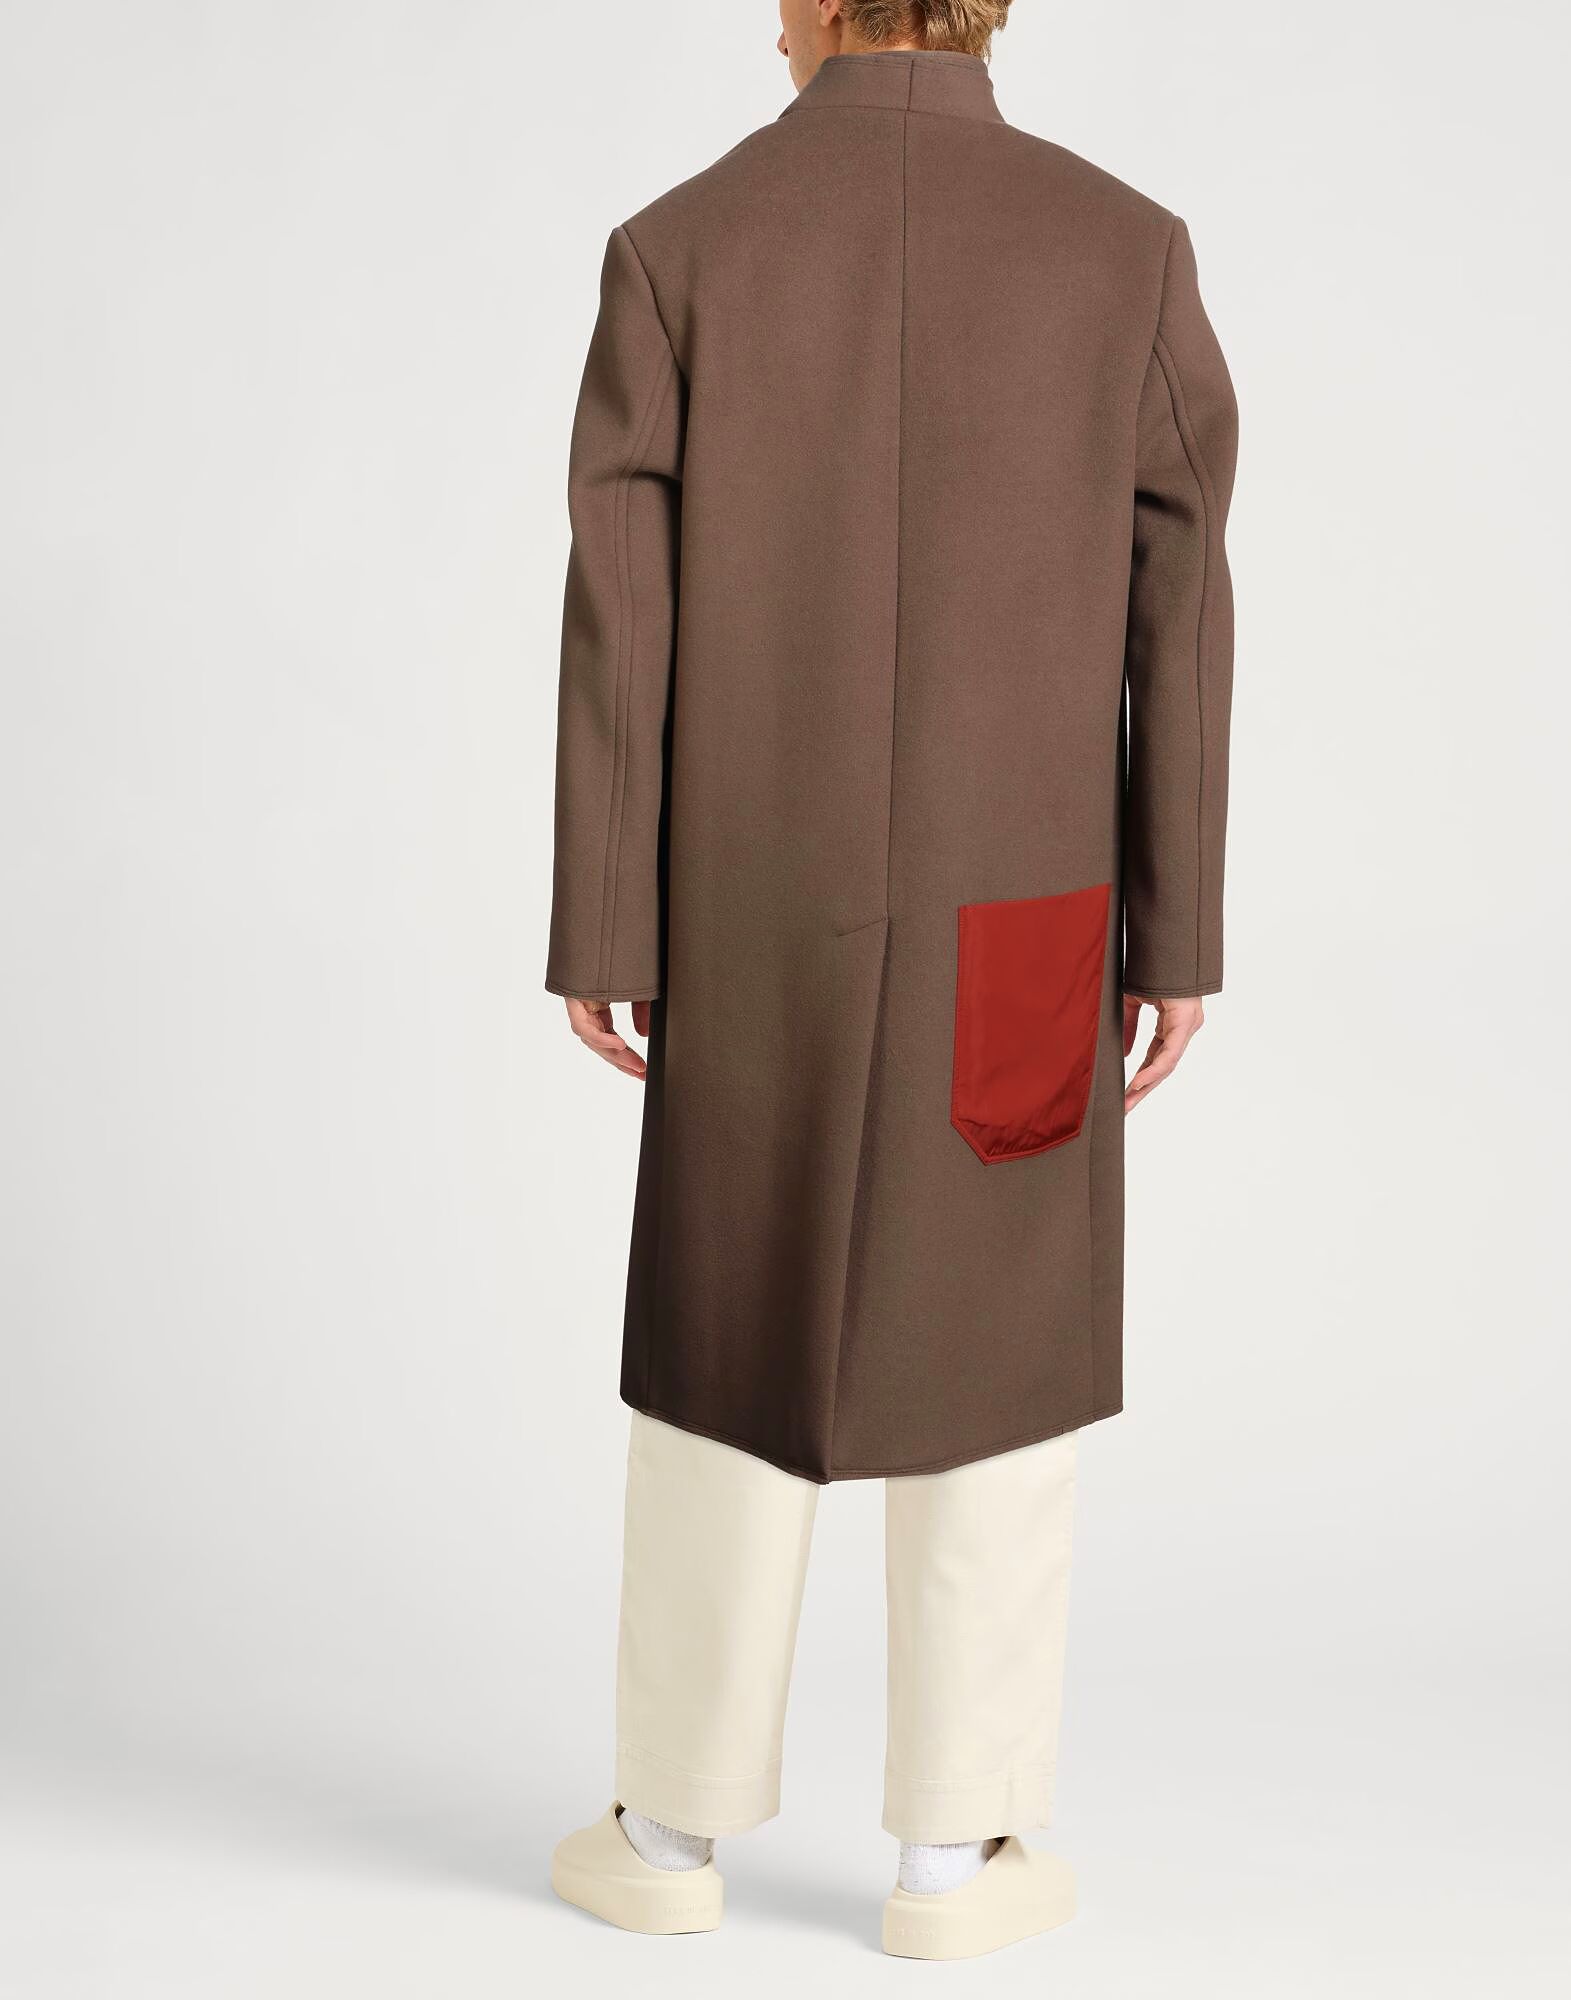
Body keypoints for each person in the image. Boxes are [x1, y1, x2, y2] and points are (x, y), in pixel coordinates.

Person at [545, 0, 1236, 1961]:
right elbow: (1180, 606)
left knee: (727, 1312)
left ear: (815, 4)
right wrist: (1175, 929)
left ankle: (667, 1828)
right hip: (1027, 917)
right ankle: (958, 1855)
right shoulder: (1122, 251)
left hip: (748, 908)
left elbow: (621, 616)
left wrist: (608, 924)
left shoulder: (681, 249)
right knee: (993, 1327)